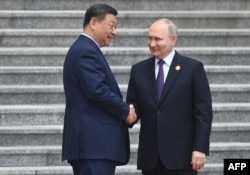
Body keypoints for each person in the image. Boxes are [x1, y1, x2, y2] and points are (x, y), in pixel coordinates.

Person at [126, 18, 213, 175]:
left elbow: (203, 112)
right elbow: (134, 105)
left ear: (173, 39)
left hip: (181, 155)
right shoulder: (138, 70)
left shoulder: (192, 68)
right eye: (150, 38)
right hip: (150, 157)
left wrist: (200, 148)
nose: (152, 44)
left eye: (157, 39)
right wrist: (129, 114)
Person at [62, 4, 137, 175]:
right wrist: (125, 110)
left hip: (93, 146)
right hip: (93, 145)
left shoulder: (85, 49)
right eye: (112, 26)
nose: (115, 32)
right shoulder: (85, 51)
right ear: (94, 22)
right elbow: (97, 90)